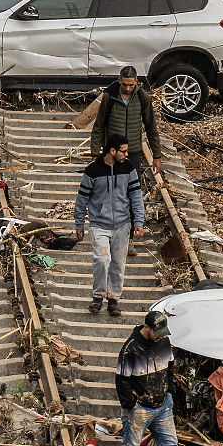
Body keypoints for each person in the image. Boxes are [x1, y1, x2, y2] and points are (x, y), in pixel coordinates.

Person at [104, 312, 194, 446]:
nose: (161, 335)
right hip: (140, 409)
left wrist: (170, 392)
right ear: (147, 328)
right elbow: (121, 380)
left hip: (163, 406)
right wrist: (131, 405)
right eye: (157, 332)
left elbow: (170, 368)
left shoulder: (164, 342)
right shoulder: (130, 349)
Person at [73, 135, 144, 316]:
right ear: (112, 151)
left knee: (118, 263)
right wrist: (79, 223)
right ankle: (98, 296)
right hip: (99, 223)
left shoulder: (128, 167)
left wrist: (138, 221)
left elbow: (136, 195)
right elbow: (82, 199)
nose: (127, 154)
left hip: (122, 223)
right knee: (102, 260)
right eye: (124, 151)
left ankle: (113, 299)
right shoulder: (92, 170)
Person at [89, 65, 162, 164]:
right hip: (112, 153)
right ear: (119, 80)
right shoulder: (109, 97)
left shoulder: (143, 98)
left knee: (133, 179)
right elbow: (99, 126)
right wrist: (95, 154)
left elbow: (151, 127)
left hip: (133, 154)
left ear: (136, 82)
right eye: (124, 84)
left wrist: (157, 156)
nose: (127, 88)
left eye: (131, 85)